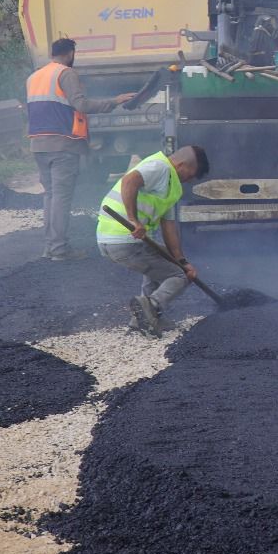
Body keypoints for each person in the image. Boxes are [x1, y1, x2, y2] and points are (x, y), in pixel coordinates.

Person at [26, 38, 134, 261]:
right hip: (62, 144)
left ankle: (50, 247)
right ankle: (58, 249)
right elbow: (81, 105)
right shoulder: (66, 74)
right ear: (70, 53)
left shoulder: (34, 77)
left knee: (50, 195)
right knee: (61, 197)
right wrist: (114, 101)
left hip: (38, 144)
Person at [95, 145, 211, 336]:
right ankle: (151, 307)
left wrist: (182, 261)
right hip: (124, 238)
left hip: (114, 240)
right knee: (179, 276)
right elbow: (129, 181)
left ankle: (143, 318)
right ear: (182, 165)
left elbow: (169, 226)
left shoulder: (172, 187)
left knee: (165, 260)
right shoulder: (160, 167)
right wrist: (134, 220)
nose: (191, 179)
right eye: (192, 174)